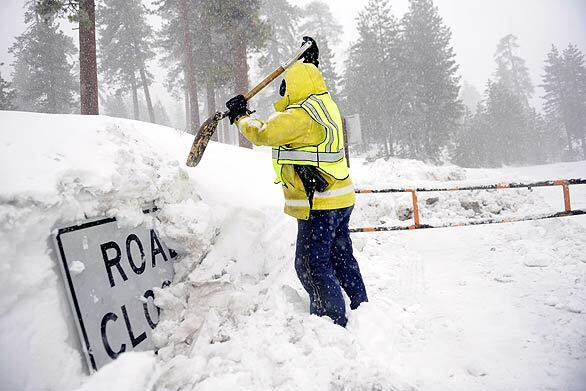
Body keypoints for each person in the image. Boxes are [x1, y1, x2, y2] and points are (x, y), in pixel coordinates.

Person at [225, 37, 368, 327]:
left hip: (319, 203)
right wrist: (310, 64)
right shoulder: (326, 105)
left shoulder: (300, 116)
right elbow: (308, 81)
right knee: (341, 257)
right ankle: (361, 307)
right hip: (341, 198)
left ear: (295, 87)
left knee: (311, 265)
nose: (283, 91)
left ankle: (329, 324)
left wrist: (241, 116)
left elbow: (263, 132)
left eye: (285, 87)